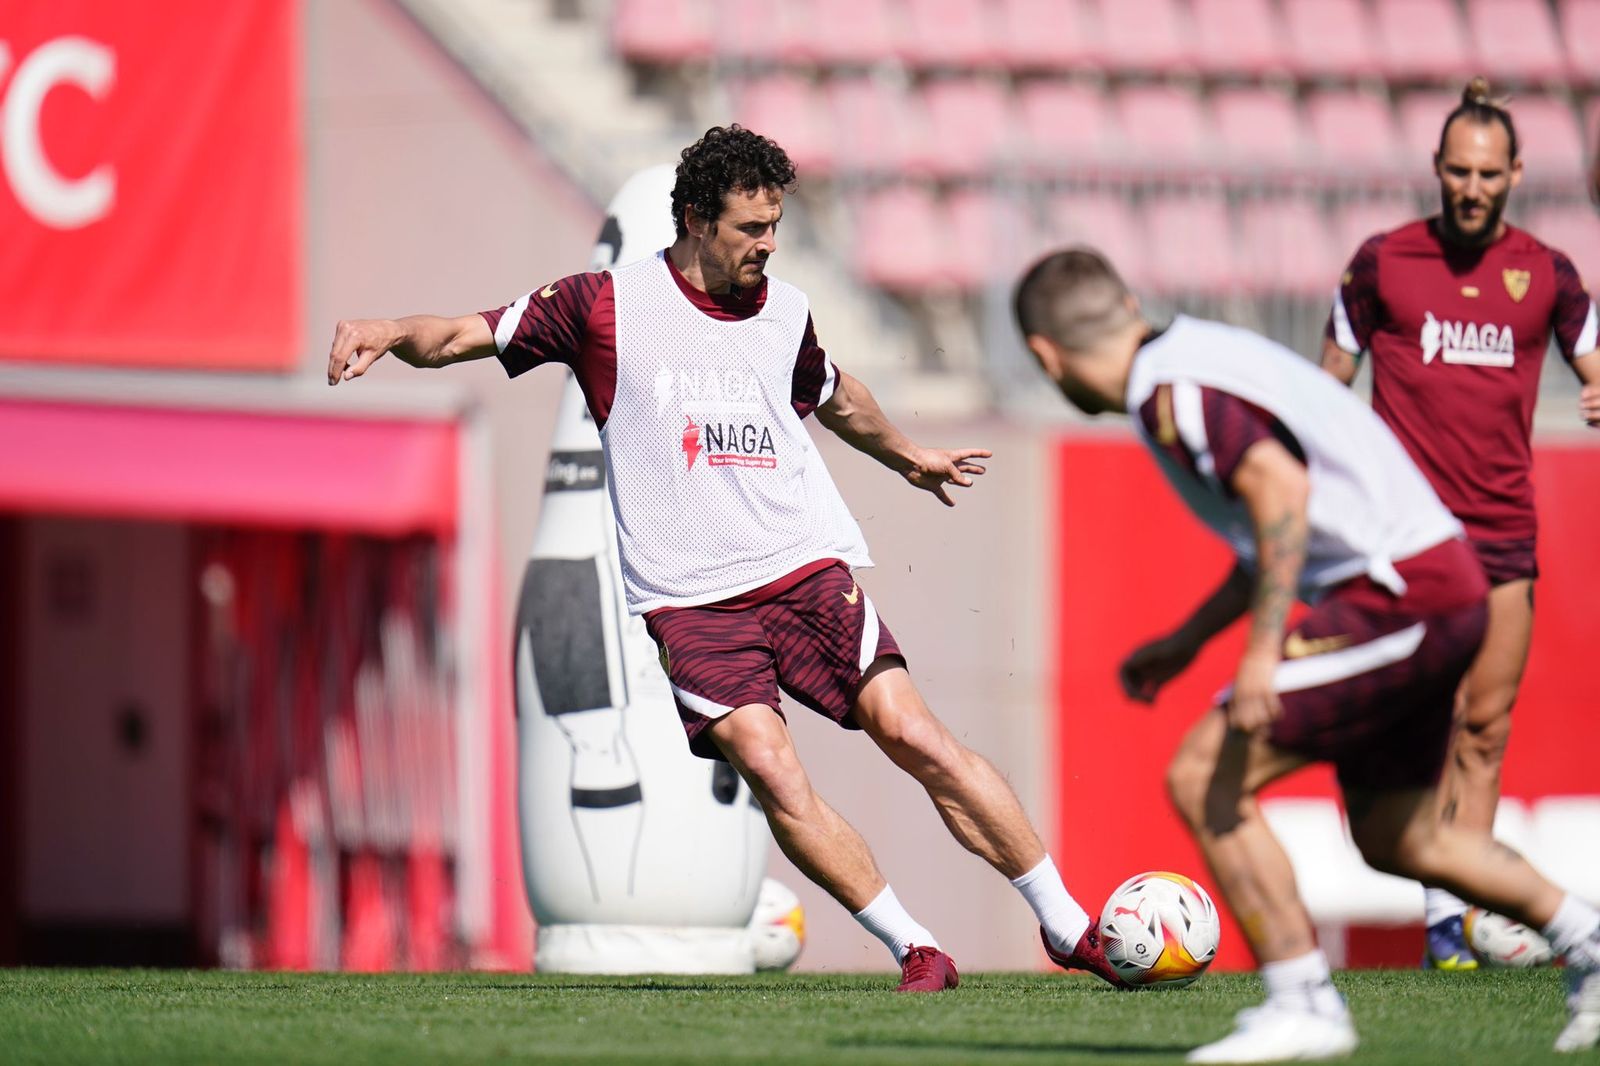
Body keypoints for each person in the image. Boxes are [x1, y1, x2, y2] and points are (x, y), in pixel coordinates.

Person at [326, 126, 1119, 992]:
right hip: (691, 604)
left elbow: (836, 395)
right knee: (772, 769)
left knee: (912, 733)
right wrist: (389, 329)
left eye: (775, 225)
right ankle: (915, 948)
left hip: (802, 569)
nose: (768, 244)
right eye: (751, 228)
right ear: (698, 220)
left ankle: (1067, 923)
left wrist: (908, 456)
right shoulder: (604, 305)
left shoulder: (786, 311)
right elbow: (458, 336)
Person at [1014, 246, 1600, 1061]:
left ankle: (1304, 1003)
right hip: (1435, 583)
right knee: (1401, 838)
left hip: (1399, 592)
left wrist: (1260, 655)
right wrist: (1188, 641)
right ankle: (1589, 941)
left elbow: (1280, 494)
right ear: (1128, 306)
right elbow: (1270, 519)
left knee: (1202, 778)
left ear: (1046, 355)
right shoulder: (1197, 355)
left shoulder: (1169, 394)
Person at [1321, 77, 1600, 969]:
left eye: (1487, 173)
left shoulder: (1549, 274)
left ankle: (1456, 923)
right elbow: (1325, 387)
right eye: (1457, 171)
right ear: (1436, 168)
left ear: (1515, 173)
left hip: (1504, 535)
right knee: (1416, 722)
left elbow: (1594, 360)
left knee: (1484, 727)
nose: (1471, 188)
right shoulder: (1382, 263)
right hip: (1405, 536)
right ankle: (1445, 904)